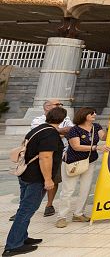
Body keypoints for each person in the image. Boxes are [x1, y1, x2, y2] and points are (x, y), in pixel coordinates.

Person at [4, 106, 67, 256]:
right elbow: (45, 157)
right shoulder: (50, 134)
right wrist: (48, 179)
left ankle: (22, 237)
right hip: (36, 178)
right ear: (62, 119)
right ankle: (13, 245)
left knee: (24, 208)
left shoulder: (39, 129)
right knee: (27, 210)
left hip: (26, 175)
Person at [56, 108, 109, 228]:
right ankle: (61, 217)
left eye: (95, 112)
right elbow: (76, 146)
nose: (95, 114)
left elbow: (104, 137)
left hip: (90, 161)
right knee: (68, 190)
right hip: (73, 162)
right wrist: (96, 147)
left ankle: (78, 214)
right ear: (84, 115)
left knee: (86, 188)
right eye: (92, 113)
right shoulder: (74, 130)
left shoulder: (96, 127)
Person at [26, 99, 72, 219]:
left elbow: (71, 131)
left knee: (54, 180)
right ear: (47, 107)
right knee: (38, 183)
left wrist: (56, 131)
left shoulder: (66, 118)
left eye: (61, 104)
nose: (60, 106)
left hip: (59, 155)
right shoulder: (37, 120)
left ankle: (49, 204)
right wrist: (59, 131)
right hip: (38, 157)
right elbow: (44, 136)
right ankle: (25, 209)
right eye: (57, 104)